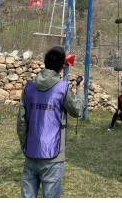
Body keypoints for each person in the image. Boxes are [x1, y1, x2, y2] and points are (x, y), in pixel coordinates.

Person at [17, 46, 84, 198]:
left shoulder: (29, 87)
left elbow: (21, 121)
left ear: (45, 63)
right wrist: (79, 89)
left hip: (31, 152)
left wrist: (25, 145)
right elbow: (77, 110)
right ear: (62, 67)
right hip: (53, 157)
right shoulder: (62, 88)